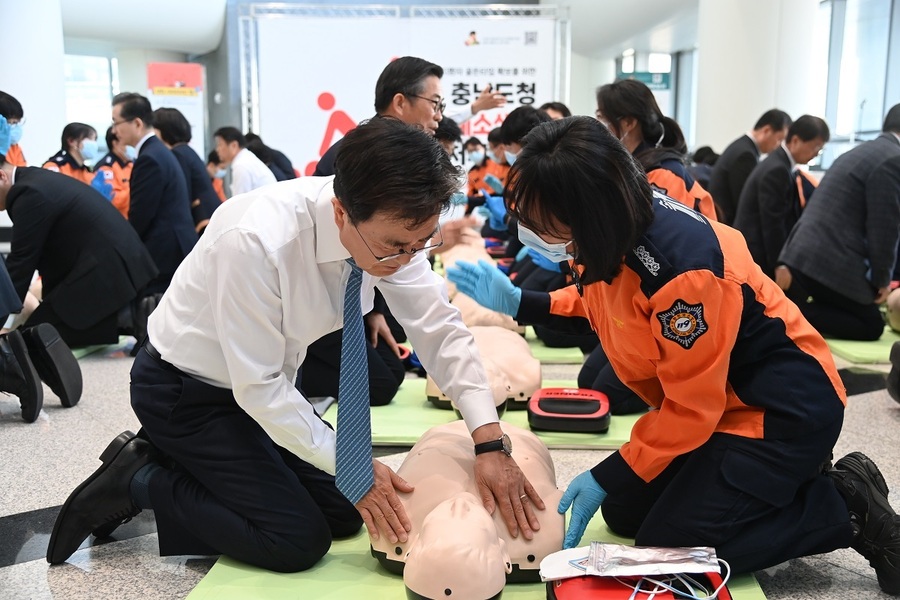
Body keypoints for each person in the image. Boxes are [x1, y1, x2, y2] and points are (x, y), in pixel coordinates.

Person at [46, 118, 545, 573]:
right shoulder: (256, 241)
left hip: (265, 388)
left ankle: (196, 465)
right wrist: (352, 463)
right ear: (341, 212)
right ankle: (140, 477)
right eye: (394, 246)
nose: (407, 259)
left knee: (346, 515)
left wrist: (489, 438)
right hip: (185, 393)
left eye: (422, 243)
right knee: (297, 539)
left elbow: (438, 327)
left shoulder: (398, 225)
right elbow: (257, 387)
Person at [447, 116, 900, 596]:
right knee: (624, 512)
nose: (530, 232)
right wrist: (526, 302)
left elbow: (693, 408)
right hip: (722, 404)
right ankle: (780, 487)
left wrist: (608, 471)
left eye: (541, 224)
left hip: (779, 413)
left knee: (668, 549)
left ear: (585, 213)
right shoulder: (610, 225)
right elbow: (612, 303)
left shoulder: (683, 271)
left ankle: (843, 507)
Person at [0, 155, 158, 348]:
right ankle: (127, 314)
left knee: (35, 338)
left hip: (106, 269)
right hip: (112, 263)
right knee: (39, 331)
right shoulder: (35, 180)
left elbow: (20, 263)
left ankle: (130, 316)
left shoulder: (28, 193)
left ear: (1, 176)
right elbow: (50, 257)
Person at [776, 105, 900, 341]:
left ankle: (789, 311)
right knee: (871, 323)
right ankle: (786, 313)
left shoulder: (862, 152)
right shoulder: (893, 160)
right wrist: (882, 281)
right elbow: (884, 227)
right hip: (830, 259)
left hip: (805, 252)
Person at [111, 92, 197, 298]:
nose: (114, 131)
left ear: (137, 123)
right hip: (175, 246)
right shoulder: (157, 151)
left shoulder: (149, 158)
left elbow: (141, 215)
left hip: (165, 252)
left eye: (116, 123)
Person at [595, 79, 717, 220]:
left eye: (602, 117)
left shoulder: (662, 175)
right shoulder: (632, 165)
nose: (599, 124)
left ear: (629, 122)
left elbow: (664, 232)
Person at [733, 115, 830, 279]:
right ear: (796, 140)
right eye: (815, 147)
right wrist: (780, 264)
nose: (816, 154)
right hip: (756, 256)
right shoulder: (776, 170)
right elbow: (773, 223)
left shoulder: (780, 163)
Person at [708, 109, 792, 225]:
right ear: (766, 131)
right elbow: (744, 202)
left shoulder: (743, 146)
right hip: (725, 224)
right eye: (779, 139)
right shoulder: (746, 155)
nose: (778, 146)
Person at [153, 107, 221, 234]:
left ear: (162, 131)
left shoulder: (178, 154)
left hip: (202, 221)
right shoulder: (185, 151)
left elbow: (182, 196)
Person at [214, 126, 278, 197]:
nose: (217, 150)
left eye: (220, 145)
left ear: (234, 145)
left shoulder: (241, 165)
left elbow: (240, 203)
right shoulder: (246, 158)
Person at [94, 126, 134, 219]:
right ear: (115, 143)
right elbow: (113, 199)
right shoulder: (106, 167)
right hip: (117, 222)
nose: (132, 147)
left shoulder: (131, 164)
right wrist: (137, 191)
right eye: (128, 143)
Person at [0, 91, 28, 166]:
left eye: (18, 123)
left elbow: (22, 173)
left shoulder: (14, 148)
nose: (17, 128)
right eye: (13, 123)